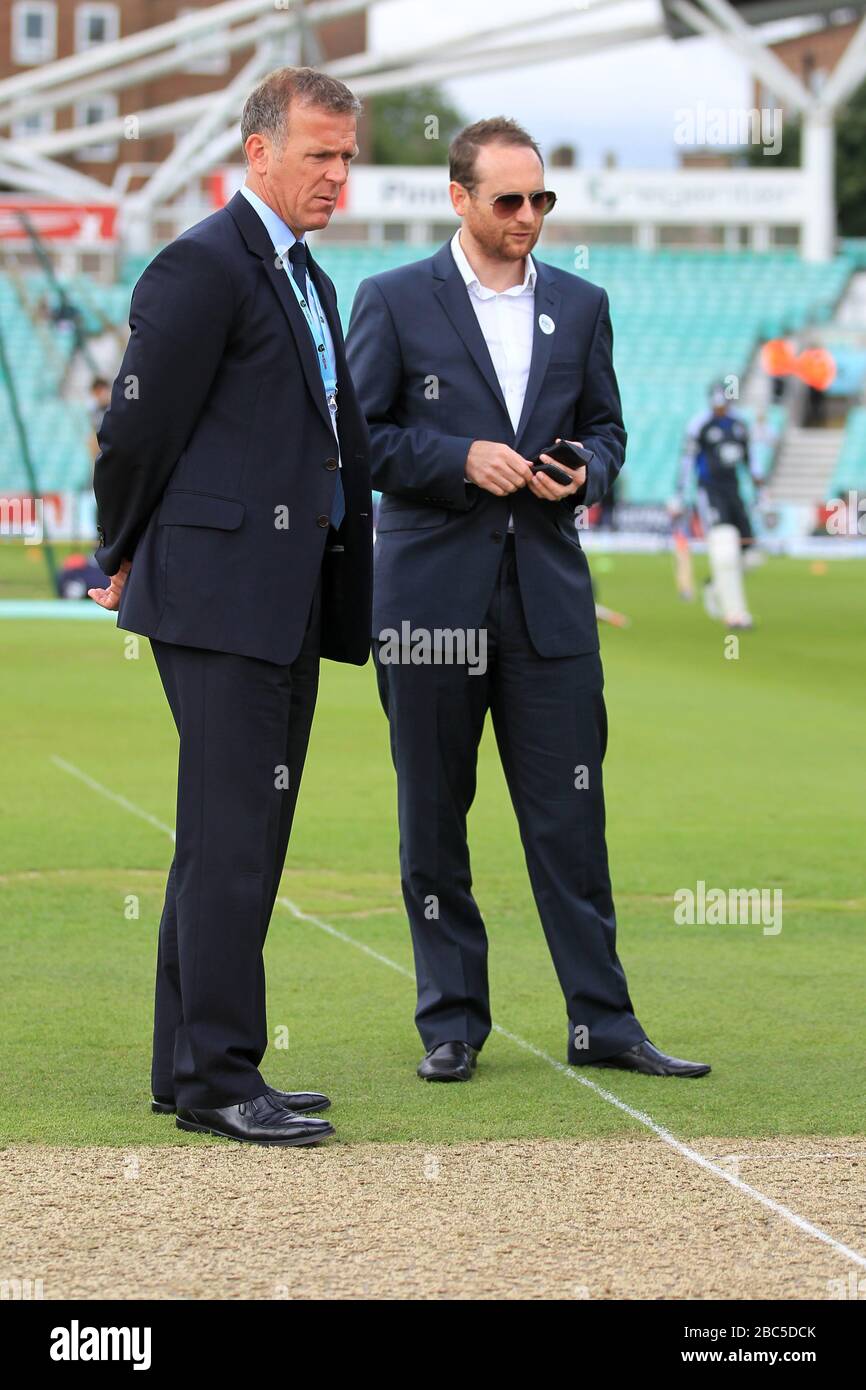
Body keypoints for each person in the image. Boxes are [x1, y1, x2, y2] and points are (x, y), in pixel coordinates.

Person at [346, 117, 710, 1083]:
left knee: (571, 822)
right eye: (508, 199)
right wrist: (458, 457)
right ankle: (452, 1024)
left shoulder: (583, 305)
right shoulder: (393, 300)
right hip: (427, 605)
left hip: (548, 603)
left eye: (540, 198)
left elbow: (610, 430)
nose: (527, 215)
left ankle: (605, 1022)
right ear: (458, 198)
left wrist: (588, 469)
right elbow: (358, 441)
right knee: (434, 816)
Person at [88, 67, 373, 1146]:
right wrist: (118, 548)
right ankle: (218, 1077)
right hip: (219, 597)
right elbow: (135, 429)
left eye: (347, 157)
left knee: (233, 834)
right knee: (233, 839)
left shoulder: (308, 277)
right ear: (259, 151)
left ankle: (189, 1064)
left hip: (286, 595)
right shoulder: (201, 264)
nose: (336, 175)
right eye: (318, 154)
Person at [672, 383, 762, 629]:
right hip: (710, 493)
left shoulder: (740, 425)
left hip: (734, 493)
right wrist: (680, 494)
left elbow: (751, 459)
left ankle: (714, 585)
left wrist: (759, 489)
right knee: (725, 553)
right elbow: (687, 460)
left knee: (751, 556)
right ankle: (735, 614)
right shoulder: (700, 425)